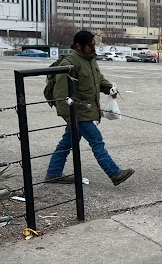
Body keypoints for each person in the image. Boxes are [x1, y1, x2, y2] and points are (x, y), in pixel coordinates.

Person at [45, 30, 134, 186]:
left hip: (86, 110)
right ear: (79, 45)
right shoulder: (69, 63)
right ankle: (114, 173)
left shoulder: (90, 59)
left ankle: (53, 173)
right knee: (96, 140)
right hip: (77, 112)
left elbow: (98, 79)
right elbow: (61, 94)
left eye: (94, 44)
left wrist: (109, 88)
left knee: (67, 143)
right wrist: (70, 116)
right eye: (90, 45)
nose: (94, 48)